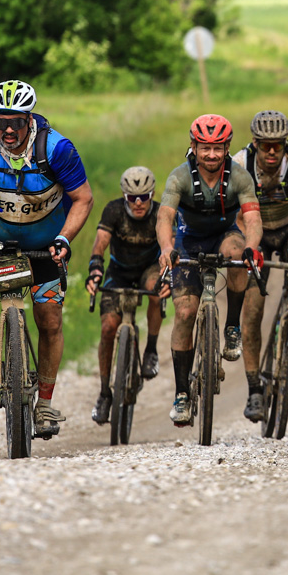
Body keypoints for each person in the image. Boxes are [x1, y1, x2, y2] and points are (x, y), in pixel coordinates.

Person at [0, 80, 94, 437]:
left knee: (49, 320)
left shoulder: (57, 149)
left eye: (16, 121)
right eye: (0, 122)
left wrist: (64, 239)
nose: (8, 130)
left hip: (47, 244)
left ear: (30, 119)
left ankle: (43, 405)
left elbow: (84, 198)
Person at [156, 114, 263, 427]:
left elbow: (253, 220)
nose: (212, 154)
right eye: (205, 148)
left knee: (238, 252)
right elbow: (164, 218)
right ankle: (182, 394)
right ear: (194, 146)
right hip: (187, 242)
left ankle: (232, 327)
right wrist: (166, 249)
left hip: (223, 236)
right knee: (185, 313)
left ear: (227, 147)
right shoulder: (180, 176)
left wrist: (253, 248)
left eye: (218, 148)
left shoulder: (241, 177)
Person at [230, 110, 288, 422]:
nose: (272, 151)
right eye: (265, 145)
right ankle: (254, 391)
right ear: (254, 143)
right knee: (253, 308)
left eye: (277, 145)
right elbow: (228, 209)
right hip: (254, 231)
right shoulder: (239, 164)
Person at [85, 166, 171, 425]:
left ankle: (152, 352)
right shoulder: (113, 210)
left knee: (157, 290)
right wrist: (95, 269)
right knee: (108, 327)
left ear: (152, 194)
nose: (138, 203)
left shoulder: (160, 213)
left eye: (144, 197)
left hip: (149, 269)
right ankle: (103, 393)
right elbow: (100, 242)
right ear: (124, 196)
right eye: (131, 197)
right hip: (119, 271)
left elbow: (170, 247)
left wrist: (169, 278)